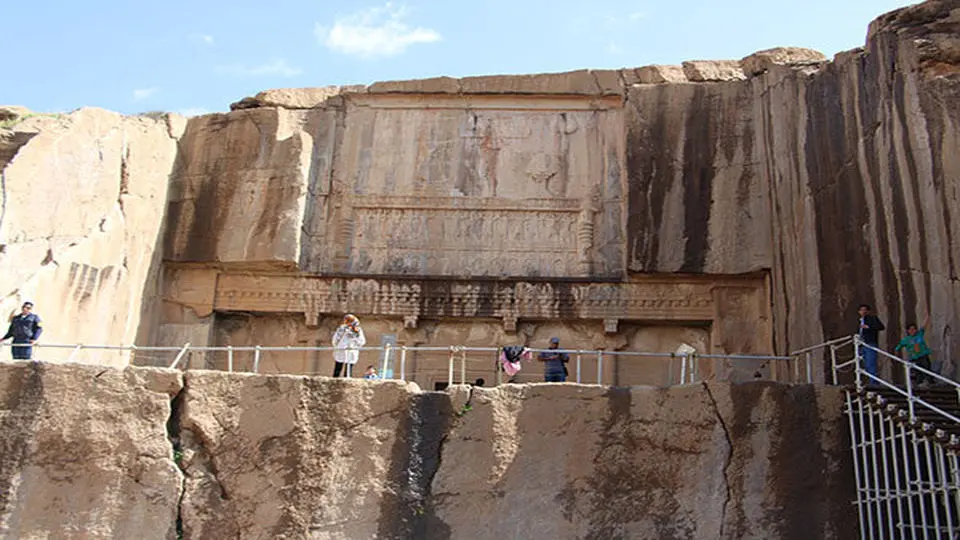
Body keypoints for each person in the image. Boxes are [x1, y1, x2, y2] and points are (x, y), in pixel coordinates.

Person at [895, 313, 935, 386]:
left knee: (927, 369)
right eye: (910, 329)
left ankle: (930, 382)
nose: (912, 331)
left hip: (923, 355)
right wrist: (897, 355)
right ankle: (918, 384)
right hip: (914, 358)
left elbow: (924, 326)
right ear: (908, 331)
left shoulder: (919, 334)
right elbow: (898, 347)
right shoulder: (906, 340)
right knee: (917, 372)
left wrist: (928, 318)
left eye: (914, 329)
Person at [857, 304, 885, 381]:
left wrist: (868, 327)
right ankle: (871, 381)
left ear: (868, 311)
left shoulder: (872, 318)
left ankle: (874, 383)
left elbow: (881, 327)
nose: (863, 311)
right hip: (861, 344)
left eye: (865, 310)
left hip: (870, 343)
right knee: (865, 365)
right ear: (859, 312)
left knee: (871, 364)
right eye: (861, 310)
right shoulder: (859, 321)